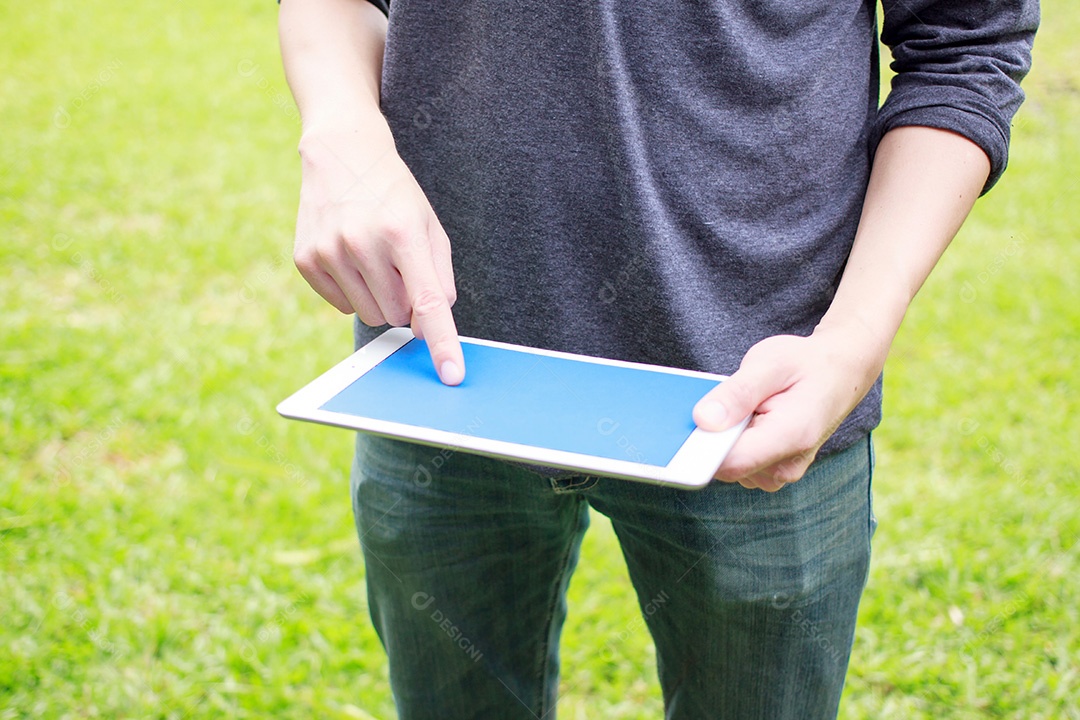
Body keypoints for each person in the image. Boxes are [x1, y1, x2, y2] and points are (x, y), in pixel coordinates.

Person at [278, 0, 1037, 717]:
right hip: (438, 370)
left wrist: (853, 341)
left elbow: (965, 43)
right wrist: (341, 133)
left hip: (753, 390)